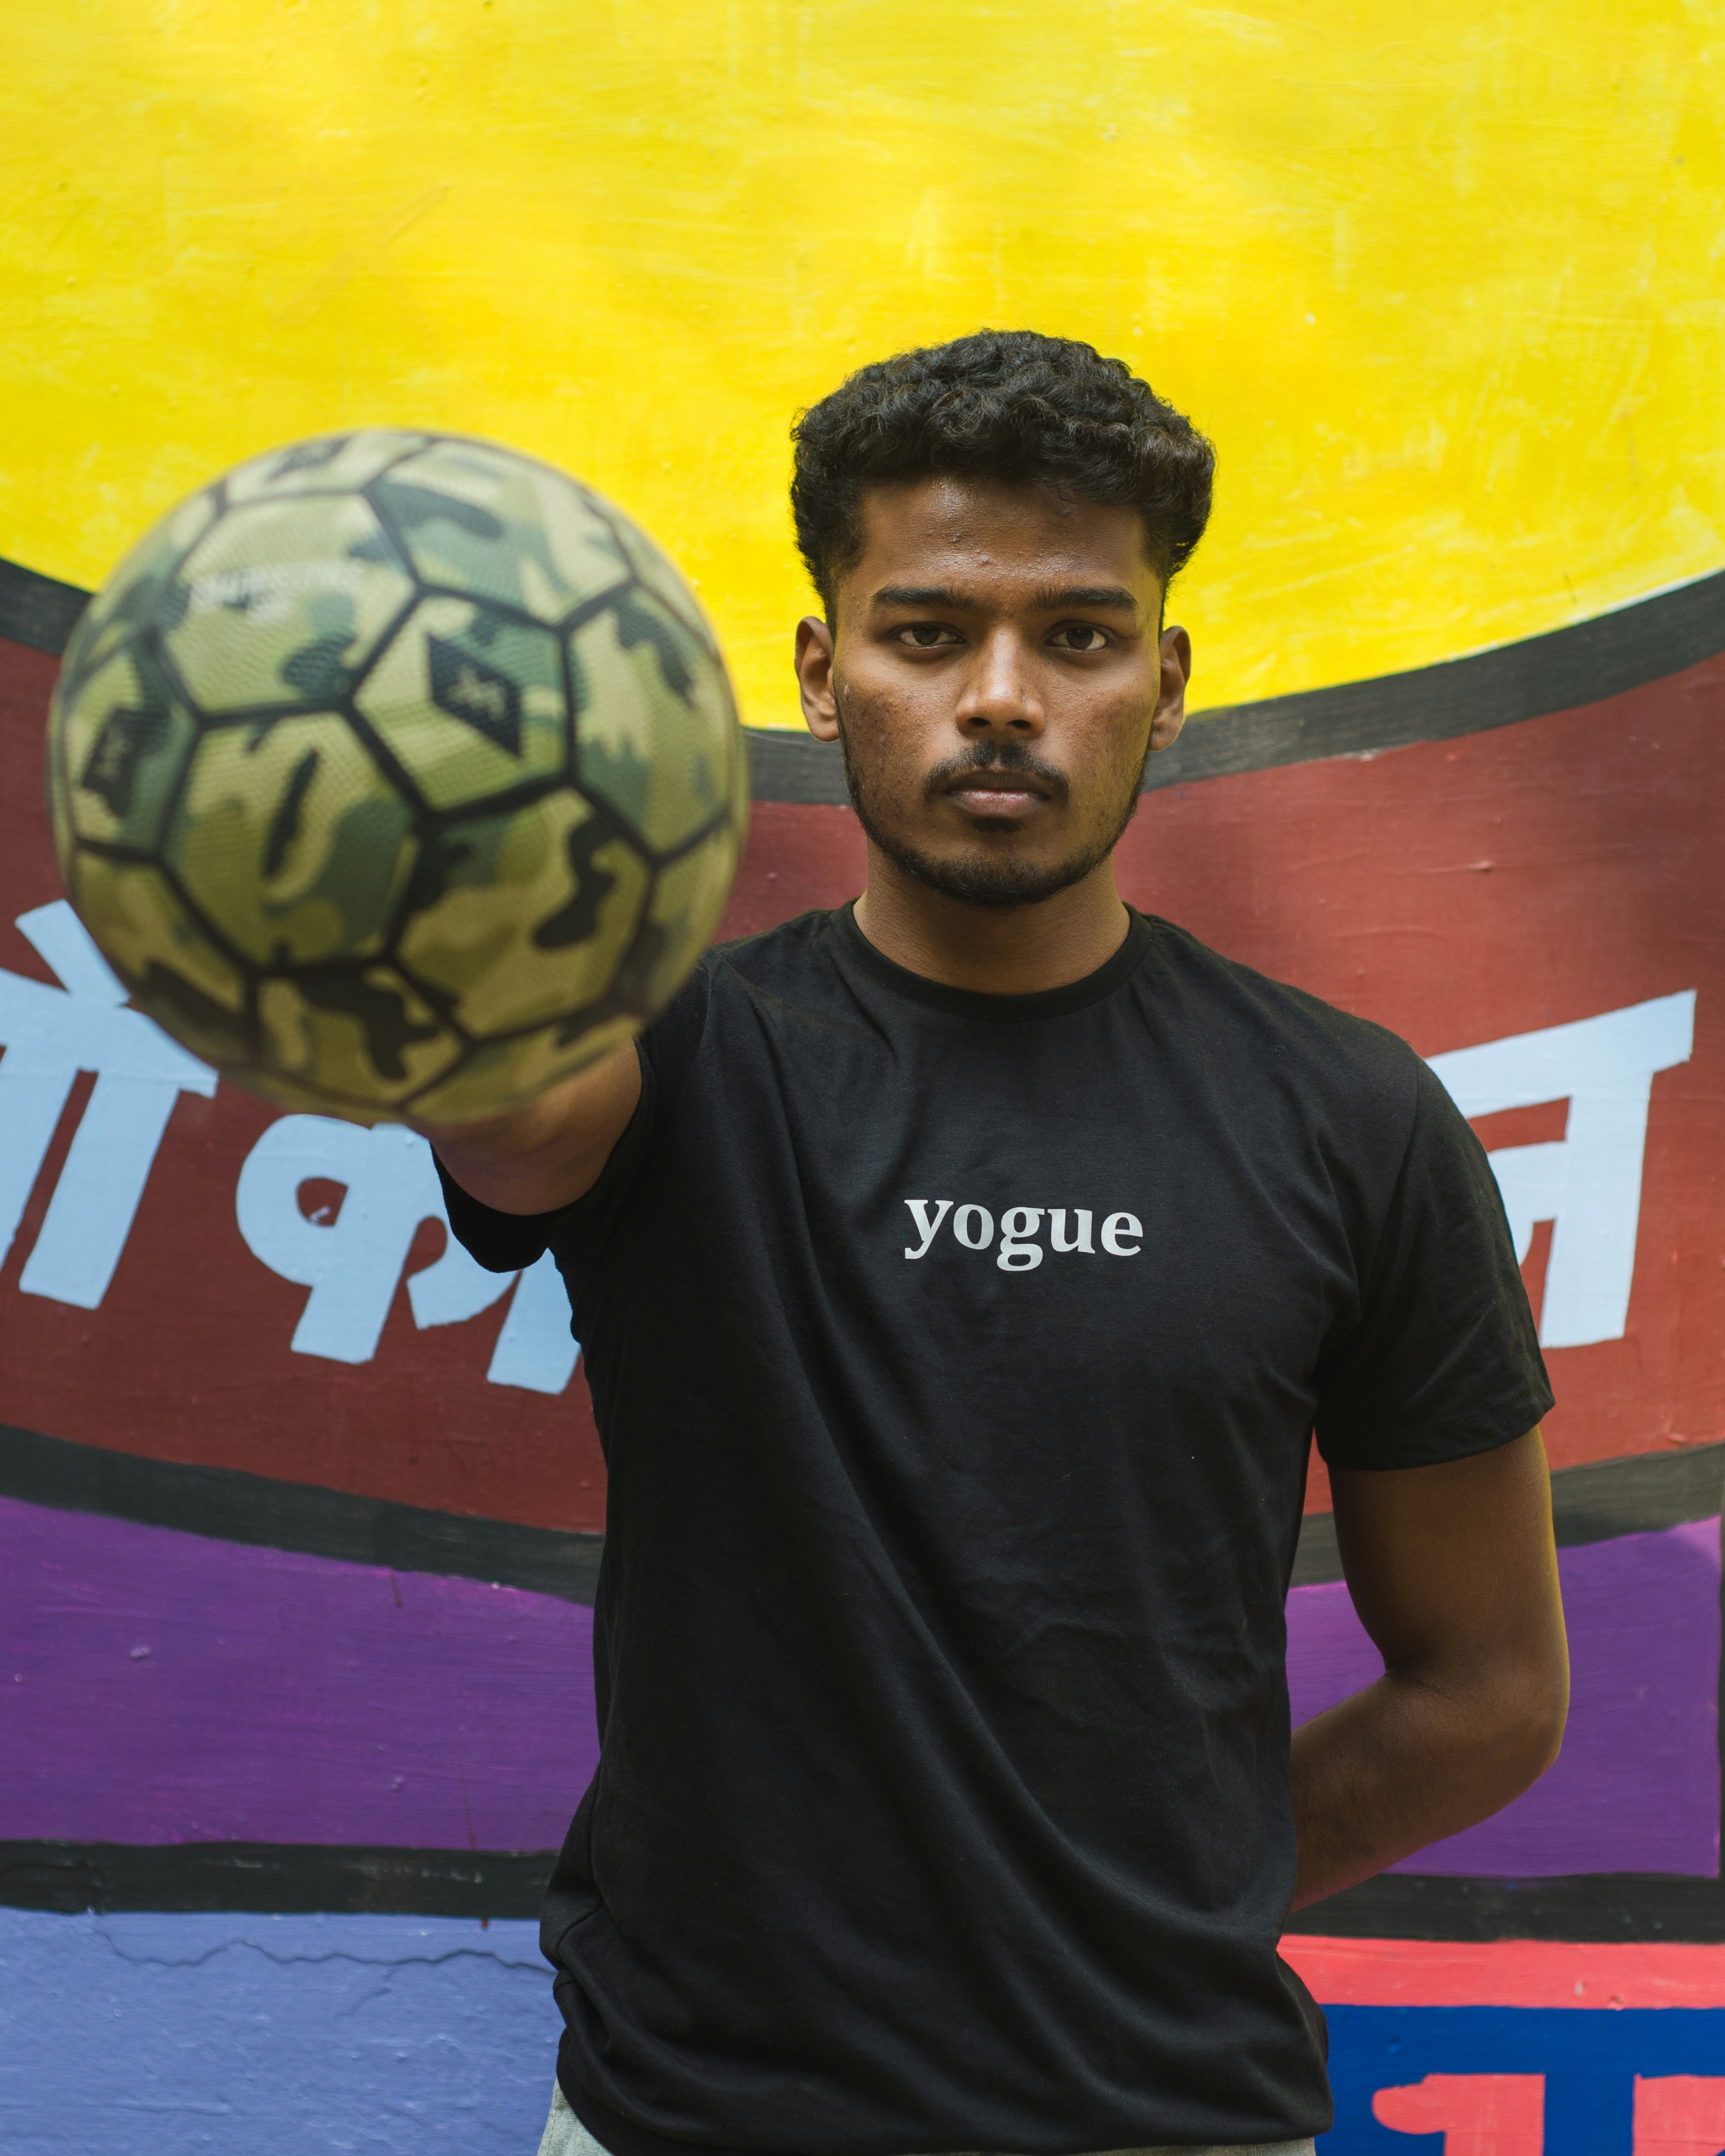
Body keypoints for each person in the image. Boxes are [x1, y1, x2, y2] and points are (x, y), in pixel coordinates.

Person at [429, 331, 1569, 2156]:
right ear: (821, 671)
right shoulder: (670, 1059)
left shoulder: (1351, 1116)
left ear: (1169, 680)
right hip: (690, 2119)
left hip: (1177, 2115)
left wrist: (1156, 1899)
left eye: (1083, 638)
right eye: (929, 632)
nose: (1004, 700)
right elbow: (503, 1121)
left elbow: (1492, 1690)